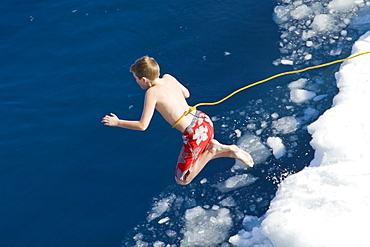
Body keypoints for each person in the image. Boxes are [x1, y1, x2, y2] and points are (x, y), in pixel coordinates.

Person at [102, 56, 254, 185]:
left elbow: (143, 125)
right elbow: (186, 94)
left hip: (193, 133)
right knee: (200, 154)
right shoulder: (168, 78)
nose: (136, 82)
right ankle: (223, 149)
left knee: (182, 179)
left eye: (136, 79)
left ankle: (213, 149)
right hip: (203, 120)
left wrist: (118, 122)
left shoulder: (151, 92)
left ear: (144, 80)